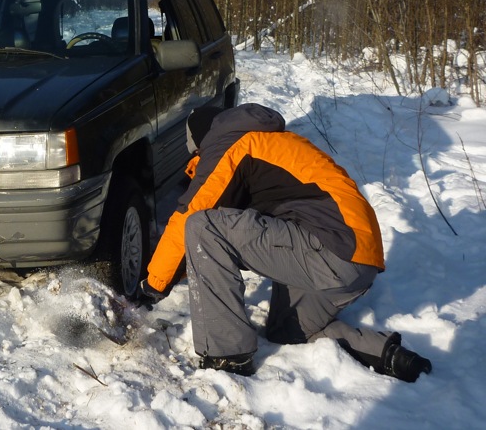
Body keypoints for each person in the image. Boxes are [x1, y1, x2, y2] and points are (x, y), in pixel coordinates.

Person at [140, 103, 432, 382]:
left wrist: (153, 286)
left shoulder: (232, 145)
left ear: (201, 142)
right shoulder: (271, 143)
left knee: (202, 226)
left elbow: (190, 217)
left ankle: (227, 355)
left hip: (331, 248)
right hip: (357, 262)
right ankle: (389, 355)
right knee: (286, 331)